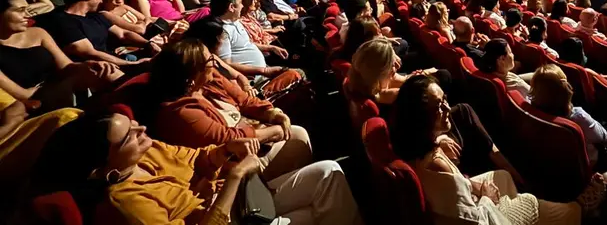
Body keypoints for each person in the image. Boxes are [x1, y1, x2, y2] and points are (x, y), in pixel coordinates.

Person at [31, 111, 361, 225]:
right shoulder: (127, 205)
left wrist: (223, 152)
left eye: (133, 123)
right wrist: (233, 176)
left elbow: (193, 158)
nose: (141, 130)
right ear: (102, 169)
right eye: (128, 135)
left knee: (329, 173)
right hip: (230, 212)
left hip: (242, 198)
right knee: (319, 214)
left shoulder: (147, 151)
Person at [390, 74, 604, 225]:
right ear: (420, 118)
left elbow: (453, 190)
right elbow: (475, 222)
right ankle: (577, 210)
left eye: (445, 100)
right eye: (438, 106)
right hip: (482, 215)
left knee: (501, 176)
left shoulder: (419, 145)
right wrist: (486, 198)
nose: (447, 108)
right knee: (529, 202)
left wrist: (470, 184)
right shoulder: (435, 164)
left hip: (470, 204)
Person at [148, 39, 312, 182]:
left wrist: (273, 114)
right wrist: (274, 131)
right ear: (191, 77)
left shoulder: (211, 80)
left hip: (254, 135)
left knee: (298, 135)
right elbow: (227, 139)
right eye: (209, 61)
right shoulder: (180, 113)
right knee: (299, 138)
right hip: (234, 162)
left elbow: (245, 100)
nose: (215, 62)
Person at [0, 0, 121, 109]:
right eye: (20, 10)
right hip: (36, 98)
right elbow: (22, 94)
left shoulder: (37, 33)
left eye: (27, 10)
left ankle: (130, 107)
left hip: (59, 84)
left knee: (106, 71)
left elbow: (66, 66)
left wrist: (89, 65)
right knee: (72, 84)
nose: (27, 15)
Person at [37, 0, 153, 67]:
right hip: (95, 67)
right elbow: (89, 53)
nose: (101, 0)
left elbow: (123, 34)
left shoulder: (95, 16)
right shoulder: (62, 20)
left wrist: (149, 44)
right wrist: (132, 64)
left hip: (116, 59)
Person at [529, 64, 607, 170]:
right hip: (595, 165)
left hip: (563, 166)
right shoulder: (578, 117)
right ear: (565, 88)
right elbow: (604, 138)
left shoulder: (531, 111)